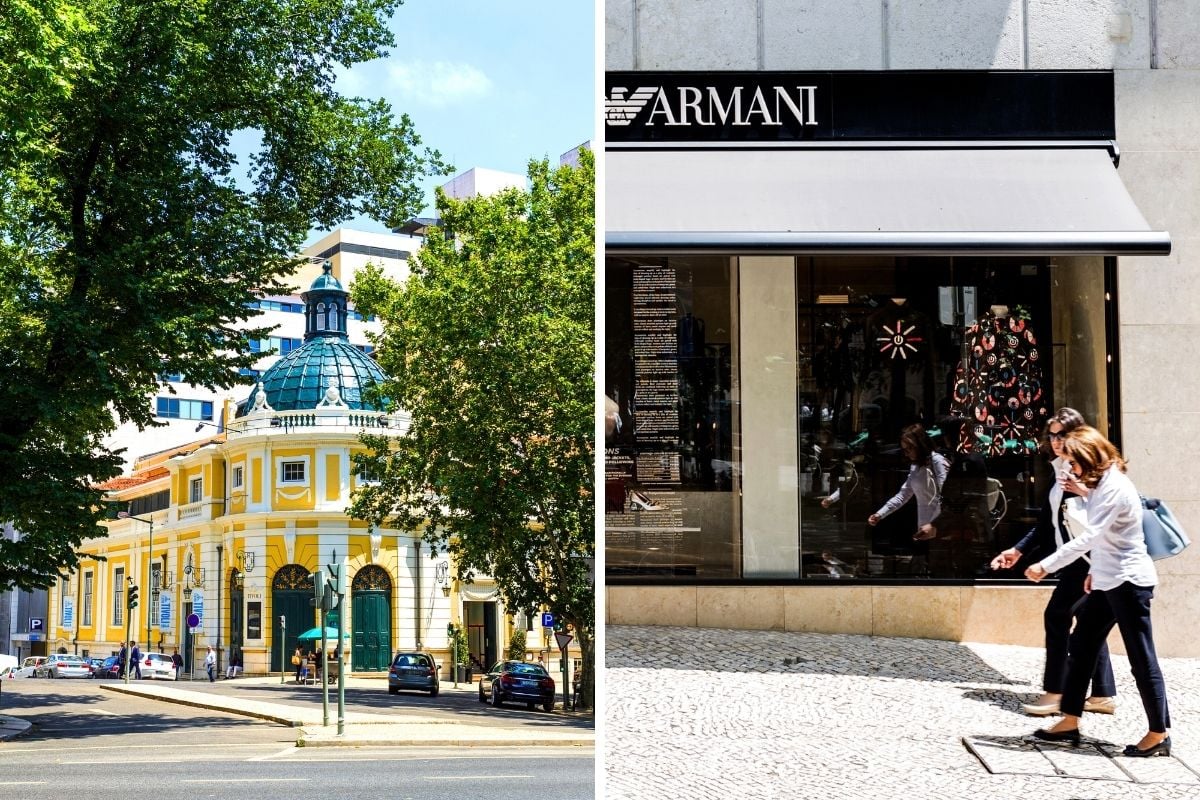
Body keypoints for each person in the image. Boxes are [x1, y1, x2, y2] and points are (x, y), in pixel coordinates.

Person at [1024, 426, 1172, 757]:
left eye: (1074, 462)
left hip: (1130, 584)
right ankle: (1070, 720)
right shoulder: (1103, 484)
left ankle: (1158, 733)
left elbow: (1090, 536)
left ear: (1088, 459)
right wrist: (1094, 570)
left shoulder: (1115, 486)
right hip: (1108, 580)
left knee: (1141, 657)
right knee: (1082, 645)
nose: (1071, 468)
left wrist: (1045, 565)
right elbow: (1107, 535)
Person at [989, 409, 1116, 716]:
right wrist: (1018, 551)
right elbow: (1047, 523)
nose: (1057, 441)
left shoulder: (1090, 469)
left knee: (1056, 617)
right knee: (1090, 624)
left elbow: (1108, 514)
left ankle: (1055, 692)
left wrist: (1084, 491)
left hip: (1087, 559)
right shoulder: (1058, 470)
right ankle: (1102, 694)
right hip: (1071, 559)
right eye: (1053, 435)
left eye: (1063, 435)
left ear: (1077, 434)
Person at [867, 424, 948, 541]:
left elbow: (947, 497)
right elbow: (903, 495)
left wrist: (935, 524)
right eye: (904, 450)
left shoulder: (937, 462)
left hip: (939, 532)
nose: (906, 453)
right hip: (924, 531)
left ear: (919, 444)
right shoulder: (915, 467)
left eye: (909, 448)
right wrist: (880, 514)